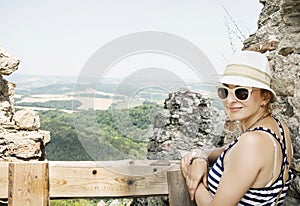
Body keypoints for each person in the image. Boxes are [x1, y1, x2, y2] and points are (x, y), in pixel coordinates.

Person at [181, 51, 293, 205]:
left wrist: (190, 175)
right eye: (224, 91)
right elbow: (224, 151)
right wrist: (199, 157)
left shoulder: (252, 142)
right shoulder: (277, 128)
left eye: (241, 93)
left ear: (265, 97)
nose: (229, 100)